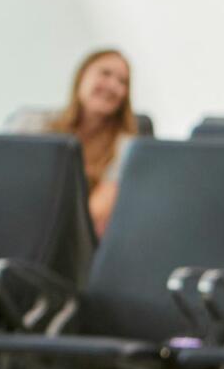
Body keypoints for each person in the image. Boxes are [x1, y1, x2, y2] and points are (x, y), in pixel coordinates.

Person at [9, 48, 137, 236]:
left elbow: (94, 214)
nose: (112, 85)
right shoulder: (37, 125)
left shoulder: (125, 147)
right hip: (23, 224)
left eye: (122, 81)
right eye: (105, 73)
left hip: (71, 239)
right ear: (82, 75)